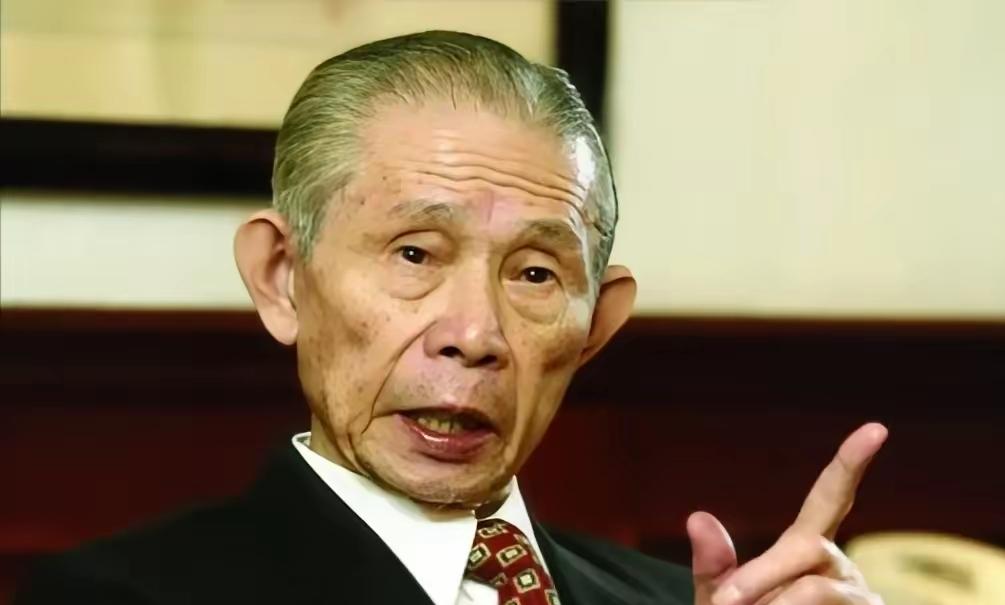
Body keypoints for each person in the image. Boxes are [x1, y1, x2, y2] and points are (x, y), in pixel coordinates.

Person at [16, 31, 887, 605]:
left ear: (595, 326)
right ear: (281, 279)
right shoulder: (114, 596)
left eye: (535, 273)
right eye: (414, 254)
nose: (472, 335)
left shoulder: (680, 599)